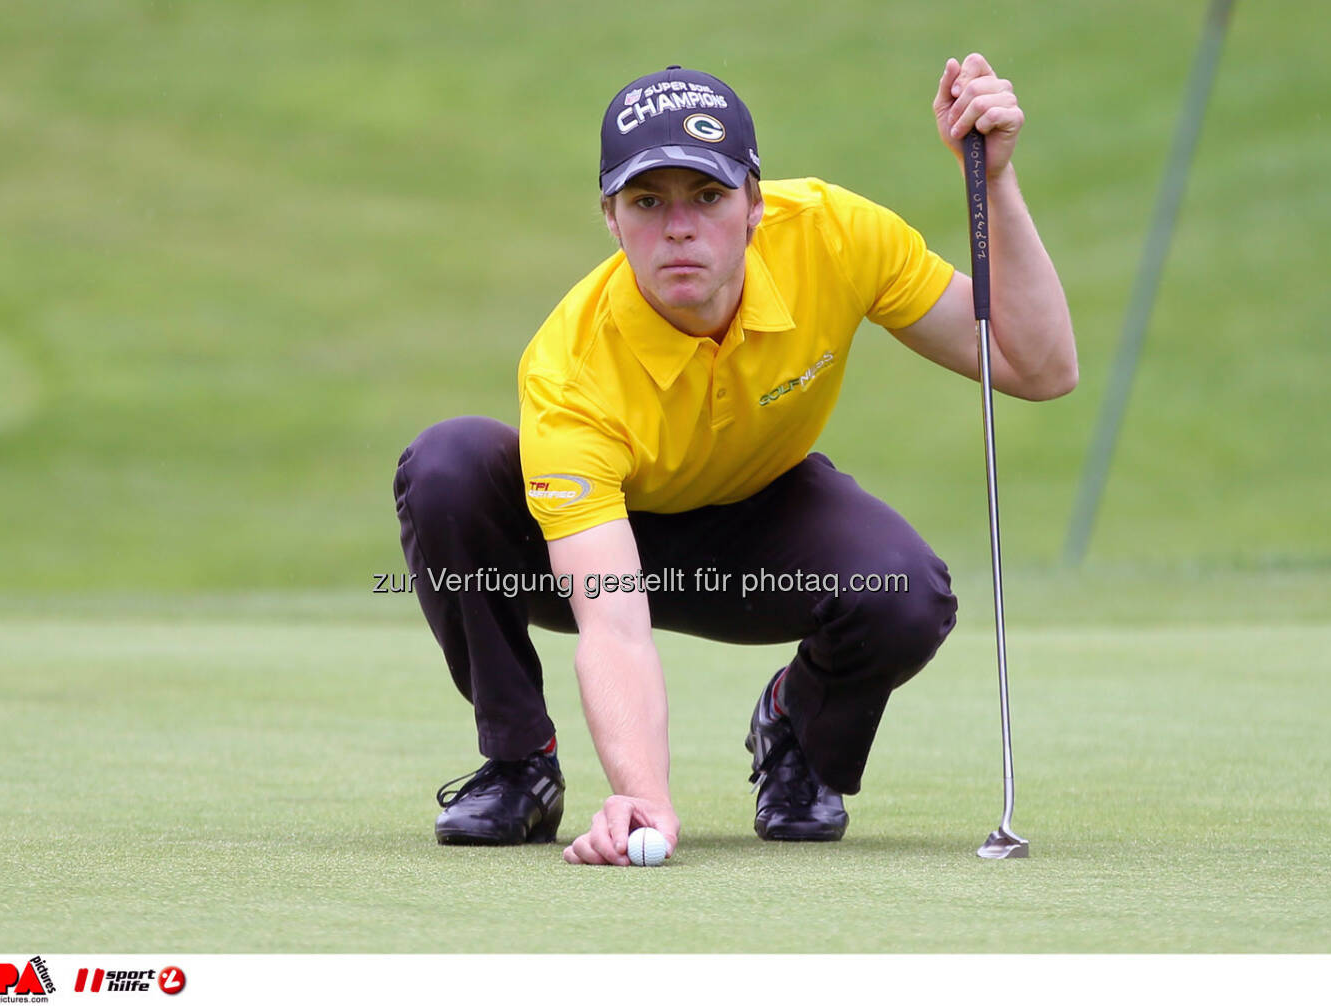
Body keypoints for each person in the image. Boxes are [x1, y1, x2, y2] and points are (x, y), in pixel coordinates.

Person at [393, 55, 1075, 866]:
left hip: (759, 525)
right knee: (449, 464)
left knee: (904, 592)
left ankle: (799, 730)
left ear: (756, 203)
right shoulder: (570, 368)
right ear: (610, 217)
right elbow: (613, 623)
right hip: (585, 551)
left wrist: (995, 180)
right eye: (648, 201)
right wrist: (645, 793)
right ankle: (520, 765)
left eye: (708, 196)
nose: (679, 227)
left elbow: (1040, 367)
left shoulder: (834, 235)